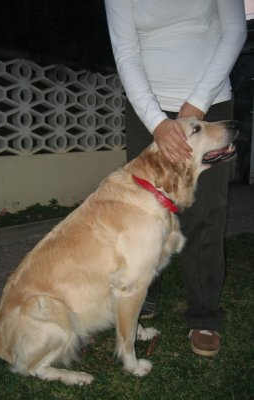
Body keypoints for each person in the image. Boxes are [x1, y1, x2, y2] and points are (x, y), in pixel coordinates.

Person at [104, 0, 247, 356]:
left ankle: (204, 314)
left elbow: (234, 30)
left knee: (205, 210)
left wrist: (196, 104)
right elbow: (126, 50)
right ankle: (143, 295)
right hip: (147, 109)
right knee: (142, 213)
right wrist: (156, 121)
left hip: (209, 102)